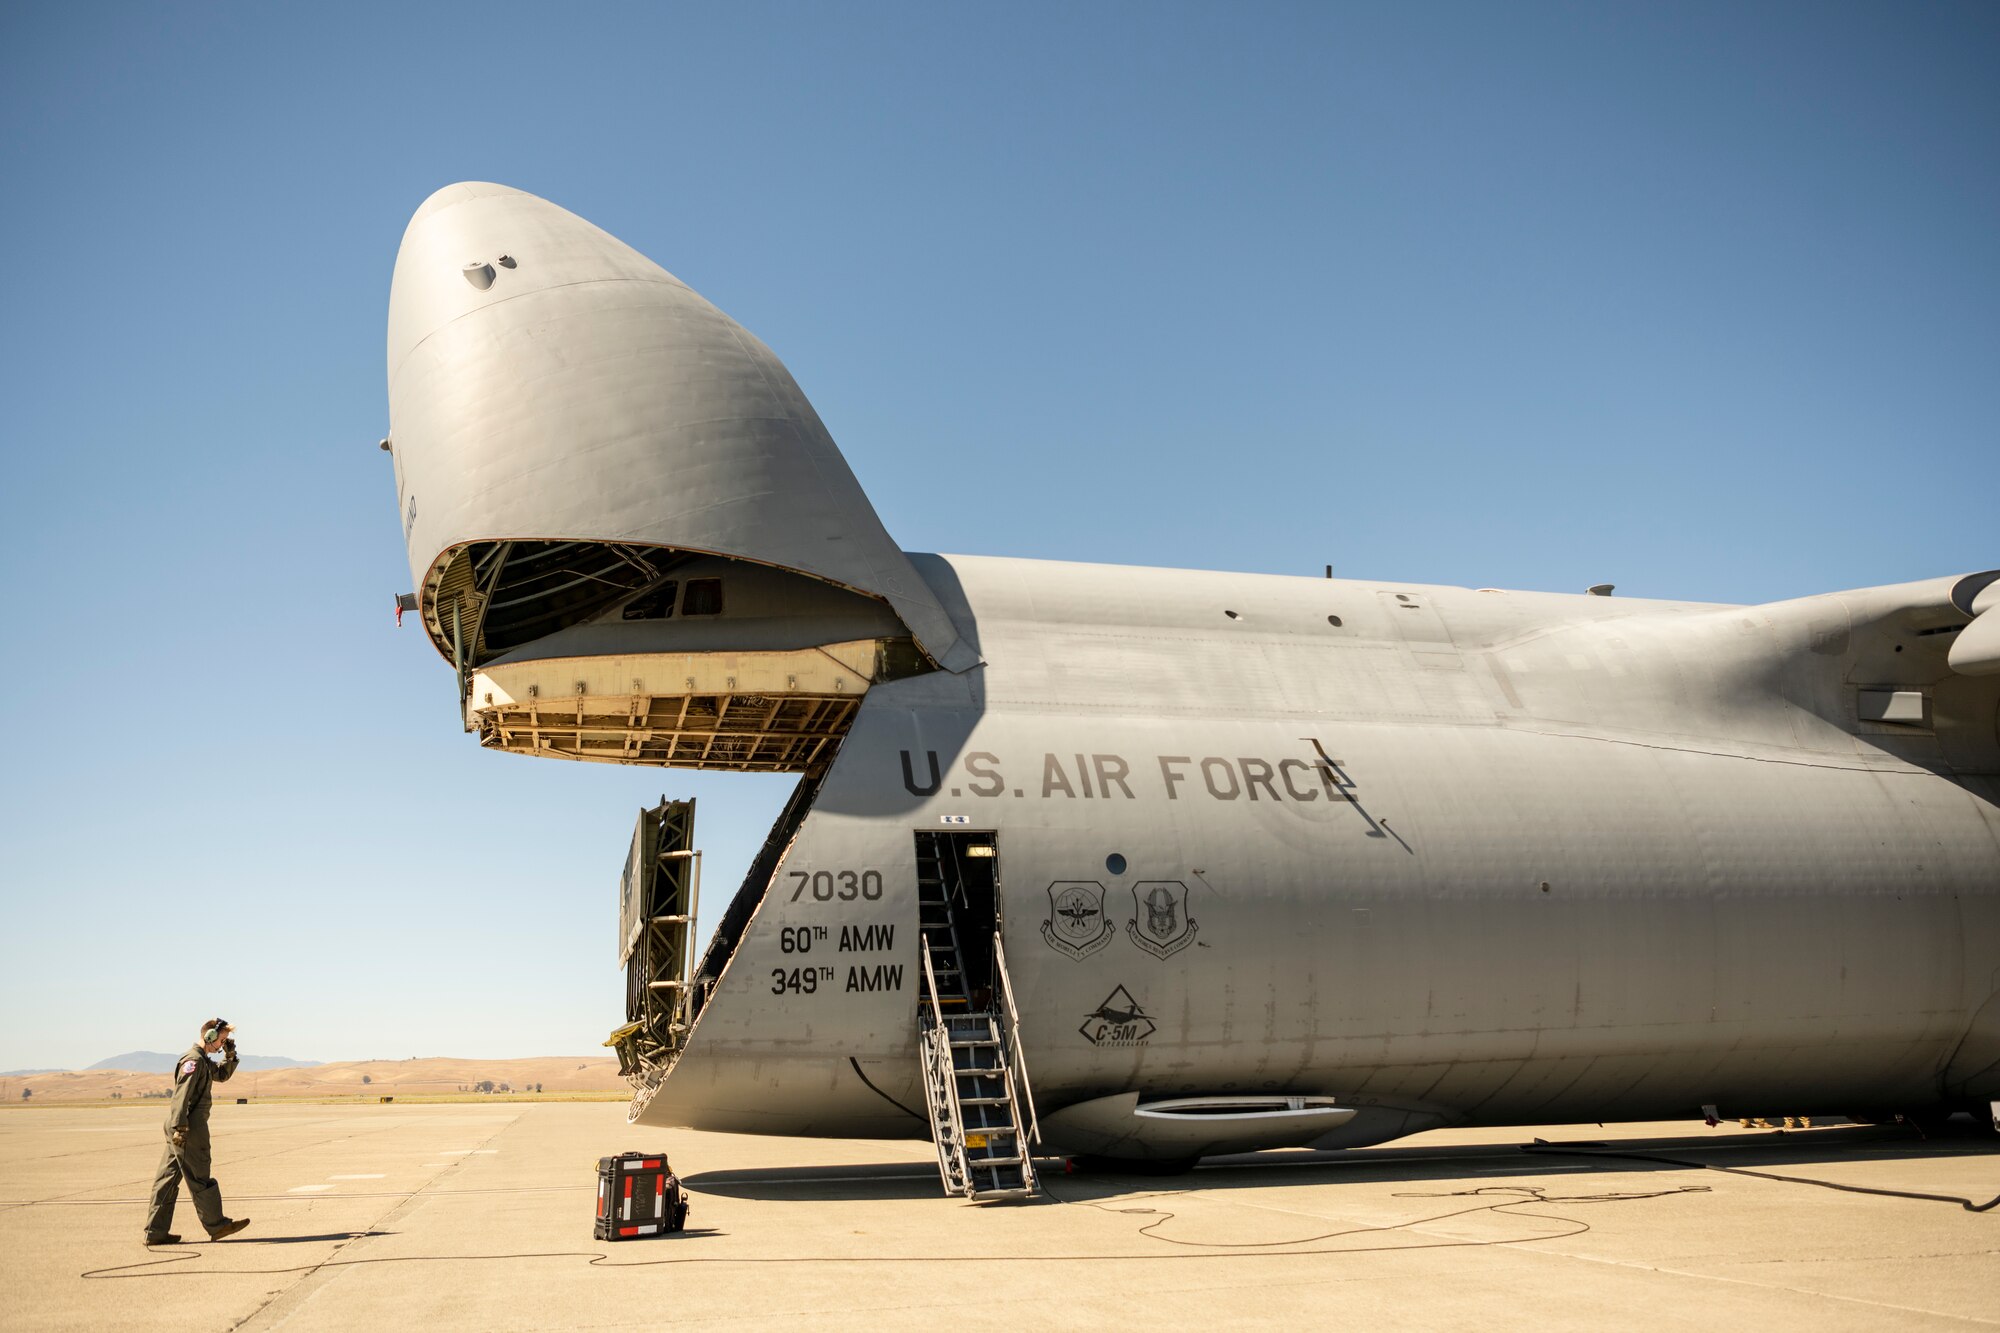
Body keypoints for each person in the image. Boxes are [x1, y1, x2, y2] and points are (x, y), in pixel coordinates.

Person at [142, 1019, 251, 1244]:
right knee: (200, 1176)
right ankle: (217, 1225)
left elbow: (220, 1075)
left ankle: (155, 1232)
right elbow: (181, 1097)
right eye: (220, 1041)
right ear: (209, 1036)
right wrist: (181, 1128)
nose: (221, 1046)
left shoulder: (202, 1061)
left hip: (181, 1127)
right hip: (189, 1127)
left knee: (168, 1179)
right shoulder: (193, 1062)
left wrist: (229, 1057)